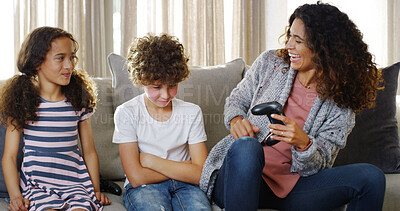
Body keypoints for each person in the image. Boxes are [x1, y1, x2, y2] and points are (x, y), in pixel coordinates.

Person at [199, 2, 386, 211]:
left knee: (372, 178)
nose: (288, 45)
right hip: (239, 181)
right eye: (289, 36)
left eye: (298, 41)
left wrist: (303, 143)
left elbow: (319, 164)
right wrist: (236, 120)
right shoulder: (271, 63)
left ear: (323, 49)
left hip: (294, 188)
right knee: (246, 146)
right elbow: (236, 100)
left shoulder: (340, 103)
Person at [0, 26, 111, 211]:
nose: (69, 65)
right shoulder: (23, 103)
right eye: (60, 58)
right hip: (37, 186)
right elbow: (9, 157)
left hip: (75, 183)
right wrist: (15, 197)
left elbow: (89, 151)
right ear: (37, 62)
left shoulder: (79, 101)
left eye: (72, 57)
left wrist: (95, 190)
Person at [112, 34, 211, 211]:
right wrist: (185, 167)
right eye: (156, 87)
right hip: (145, 187)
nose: (165, 95)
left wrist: (149, 161)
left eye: (172, 85)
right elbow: (137, 178)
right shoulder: (126, 113)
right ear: (141, 80)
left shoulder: (192, 112)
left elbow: (200, 174)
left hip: (186, 186)